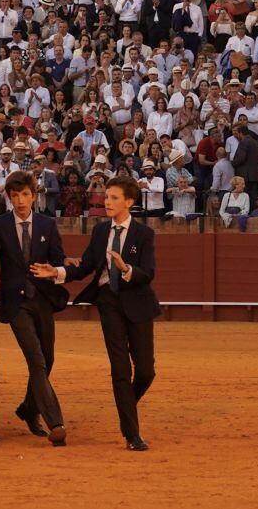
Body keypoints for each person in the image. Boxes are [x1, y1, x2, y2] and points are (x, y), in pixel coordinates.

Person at [34, 175, 160, 451]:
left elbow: (147, 273)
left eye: (114, 198)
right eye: (107, 197)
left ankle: (126, 403)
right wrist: (57, 272)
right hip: (109, 302)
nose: (108, 202)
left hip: (138, 304)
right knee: (120, 370)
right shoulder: (102, 232)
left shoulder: (144, 234)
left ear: (129, 201)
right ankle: (131, 433)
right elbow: (86, 266)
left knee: (146, 371)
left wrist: (126, 269)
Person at [0, 171, 69, 446]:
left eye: (25, 195)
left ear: (34, 195)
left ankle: (28, 408)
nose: (20, 201)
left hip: (42, 299)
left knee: (48, 359)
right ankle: (55, 422)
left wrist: (54, 271)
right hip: (15, 302)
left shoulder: (47, 224)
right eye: (15, 195)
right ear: (9, 197)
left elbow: (58, 260)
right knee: (37, 359)